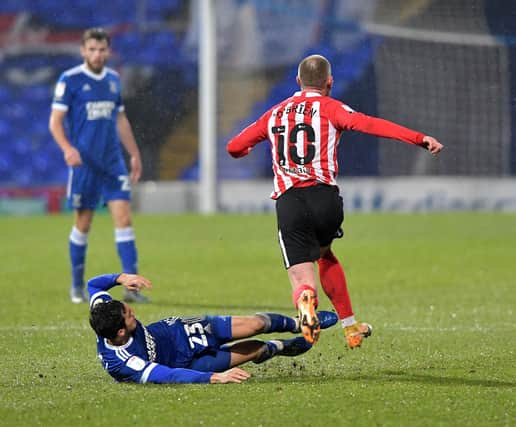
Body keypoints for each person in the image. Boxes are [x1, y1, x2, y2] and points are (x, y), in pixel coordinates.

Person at [227, 54, 444, 347]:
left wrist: (245, 152)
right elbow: (371, 125)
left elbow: (234, 146)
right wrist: (419, 138)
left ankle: (306, 299)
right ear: (329, 82)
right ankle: (351, 327)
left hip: (290, 203)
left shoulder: (274, 114)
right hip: (326, 199)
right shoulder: (331, 108)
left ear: (297, 82)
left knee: (302, 277)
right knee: (325, 254)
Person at [87, 273, 338, 384]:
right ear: (120, 333)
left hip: (176, 333)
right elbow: (167, 376)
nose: (134, 314)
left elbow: (93, 286)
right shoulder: (124, 361)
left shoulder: (104, 311)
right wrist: (214, 378)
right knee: (254, 350)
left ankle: (299, 323)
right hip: (180, 366)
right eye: (129, 316)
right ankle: (281, 347)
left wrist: (121, 278)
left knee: (255, 324)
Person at [49, 28, 147, 304]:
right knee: (84, 223)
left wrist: (134, 153)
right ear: (83, 51)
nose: (97, 54)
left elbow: (120, 120)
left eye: (102, 49)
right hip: (85, 165)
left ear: (108, 51)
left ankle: (131, 287)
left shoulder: (113, 80)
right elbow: (55, 122)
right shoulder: (70, 80)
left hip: (112, 163)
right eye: (92, 49)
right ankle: (76, 286)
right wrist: (68, 149)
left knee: (124, 219)